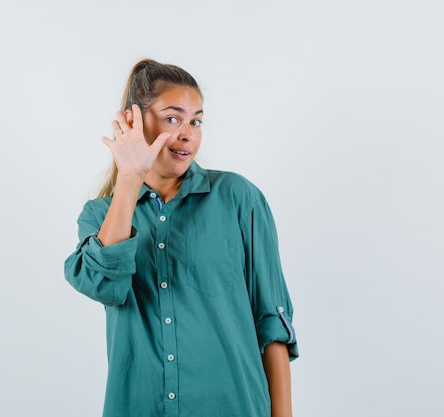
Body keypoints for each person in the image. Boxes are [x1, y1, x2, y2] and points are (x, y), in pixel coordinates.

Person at [64, 58, 298, 417]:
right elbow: (103, 286)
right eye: (173, 118)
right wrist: (129, 177)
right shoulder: (100, 216)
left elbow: (272, 323)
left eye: (196, 121)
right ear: (134, 121)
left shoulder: (238, 198)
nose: (187, 133)